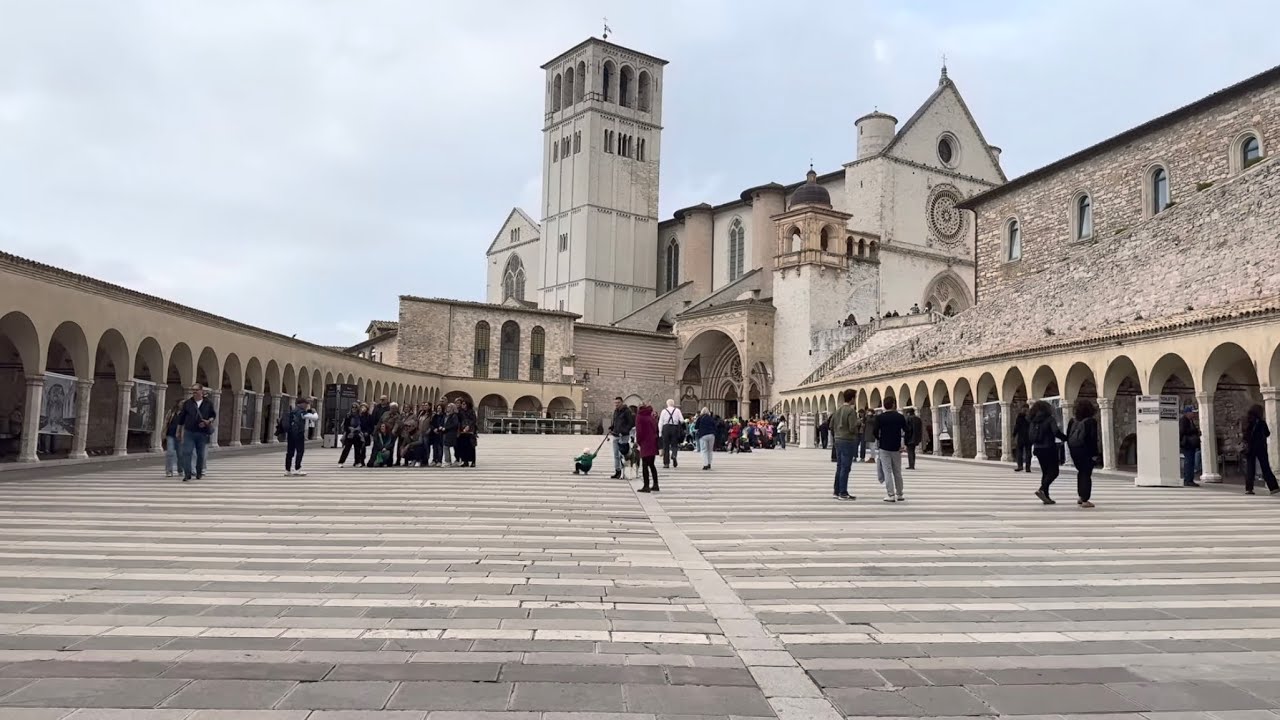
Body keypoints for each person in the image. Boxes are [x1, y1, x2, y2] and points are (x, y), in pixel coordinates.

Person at [1029, 399, 1068, 504]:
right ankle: (1042, 489)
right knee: (1054, 472)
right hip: (1049, 448)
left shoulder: (1033, 420)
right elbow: (1055, 431)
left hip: (1038, 449)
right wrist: (1065, 438)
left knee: (1045, 472)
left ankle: (1046, 497)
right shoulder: (1049, 419)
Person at [176, 383, 216, 482]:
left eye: (196, 390)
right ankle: (187, 474)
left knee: (200, 454)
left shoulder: (208, 403)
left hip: (202, 433)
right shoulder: (188, 403)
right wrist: (178, 431)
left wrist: (208, 421)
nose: (194, 392)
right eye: (192, 390)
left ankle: (199, 472)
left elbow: (213, 415)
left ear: (201, 391)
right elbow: (181, 418)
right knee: (187, 452)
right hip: (189, 431)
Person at [1065, 399, 1099, 508]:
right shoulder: (1091, 421)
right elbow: (1092, 439)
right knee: (1086, 473)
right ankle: (1085, 499)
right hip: (1086, 450)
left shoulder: (1072, 421)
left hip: (1075, 450)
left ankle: (1081, 496)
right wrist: (1095, 454)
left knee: (1081, 472)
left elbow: (1068, 435)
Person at [1243, 404, 1280, 495]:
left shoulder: (1246, 421)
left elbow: (1244, 434)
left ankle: (1249, 489)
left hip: (1250, 447)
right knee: (1265, 467)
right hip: (1260, 447)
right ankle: (1273, 487)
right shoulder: (1261, 422)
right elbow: (1267, 433)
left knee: (1250, 468)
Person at [876, 396, 908, 502]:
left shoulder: (880, 417)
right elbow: (906, 430)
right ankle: (900, 493)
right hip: (896, 447)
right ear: (894, 404)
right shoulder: (900, 417)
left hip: (884, 447)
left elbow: (875, 431)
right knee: (897, 471)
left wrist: (879, 438)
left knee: (887, 471)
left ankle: (891, 494)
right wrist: (905, 444)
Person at [830, 389, 858, 500]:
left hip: (838, 439)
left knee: (839, 466)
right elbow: (852, 428)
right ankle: (843, 492)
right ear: (852, 398)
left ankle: (836, 491)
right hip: (847, 440)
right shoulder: (851, 411)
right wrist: (858, 424)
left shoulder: (838, 410)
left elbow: (831, 425)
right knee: (846, 467)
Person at [281, 397, 319, 476]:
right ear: (301, 404)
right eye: (305, 404)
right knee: (300, 451)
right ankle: (297, 469)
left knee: (290, 452)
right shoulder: (301, 412)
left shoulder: (292, 411)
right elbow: (315, 418)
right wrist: (314, 412)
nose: (306, 406)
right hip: (299, 434)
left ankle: (287, 470)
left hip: (290, 434)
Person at [635, 402, 660, 492]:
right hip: (653, 442)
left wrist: (638, 442)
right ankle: (656, 484)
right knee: (652, 464)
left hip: (645, 443)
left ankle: (646, 485)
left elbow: (639, 431)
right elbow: (656, 429)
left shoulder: (639, 416)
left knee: (645, 465)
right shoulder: (651, 416)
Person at [608, 397, 634, 479]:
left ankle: (625, 472)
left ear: (622, 402)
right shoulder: (616, 411)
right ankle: (617, 471)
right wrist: (612, 427)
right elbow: (615, 422)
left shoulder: (627, 411)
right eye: (615, 403)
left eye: (618, 402)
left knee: (622, 455)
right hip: (615, 435)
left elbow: (631, 423)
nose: (616, 404)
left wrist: (623, 431)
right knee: (616, 454)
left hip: (623, 436)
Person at [1179, 405, 1202, 487]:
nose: (1194, 414)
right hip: (1187, 444)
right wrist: (1194, 431)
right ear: (1187, 413)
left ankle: (1190, 479)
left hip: (1191, 445)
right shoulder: (1183, 421)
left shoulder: (1190, 421)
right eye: (1192, 412)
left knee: (1191, 462)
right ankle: (1187, 480)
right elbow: (1182, 432)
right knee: (1188, 462)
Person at [659, 399, 685, 469]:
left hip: (666, 428)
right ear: (673, 404)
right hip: (674, 428)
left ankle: (666, 463)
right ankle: (674, 455)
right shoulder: (677, 410)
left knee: (666, 446)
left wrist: (660, 432)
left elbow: (660, 422)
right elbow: (682, 420)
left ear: (667, 404)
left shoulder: (664, 411)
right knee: (674, 444)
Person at [162, 398, 184, 478]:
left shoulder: (185, 413)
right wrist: (163, 432)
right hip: (170, 434)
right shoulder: (171, 412)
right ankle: (169, 470)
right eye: (181, 403)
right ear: (178, 403)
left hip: (180, 436)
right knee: (170, 452)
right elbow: (166, 422)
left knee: (180, 454)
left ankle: (180, 469)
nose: (182, 404)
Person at [455, 399, 478, 467]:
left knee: (471, 447)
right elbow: (459, 420)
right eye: (462, 404)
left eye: (464, 404)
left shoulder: (471, 411)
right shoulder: (460, 412)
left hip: (470, 431)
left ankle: (473, 461)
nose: (463, 405)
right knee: (463, 447)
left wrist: (468, 426)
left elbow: (474, 420)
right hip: (462, 431)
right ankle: (465, 461)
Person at [1012, 406, 1032, 472]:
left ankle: (1020, 466)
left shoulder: (1020, 417)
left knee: (1020, 452)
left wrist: (1014, 435)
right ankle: (1027, 467)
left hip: (1022, 437)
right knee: (1027, 452)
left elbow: (1016, 426)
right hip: (1028, 437)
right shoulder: (1030, 417)